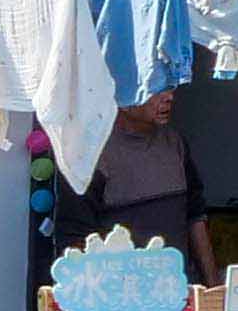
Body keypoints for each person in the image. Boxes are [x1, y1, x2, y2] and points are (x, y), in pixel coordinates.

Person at [74, 90, 215, 282]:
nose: (169, 97)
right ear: (123, 95)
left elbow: (196, 217)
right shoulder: (94, 153)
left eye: (170, 87)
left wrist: (213, 286)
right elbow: (76, 234)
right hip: (117, 294)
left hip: (175, 291)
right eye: (155, 89)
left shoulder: (175, 143)